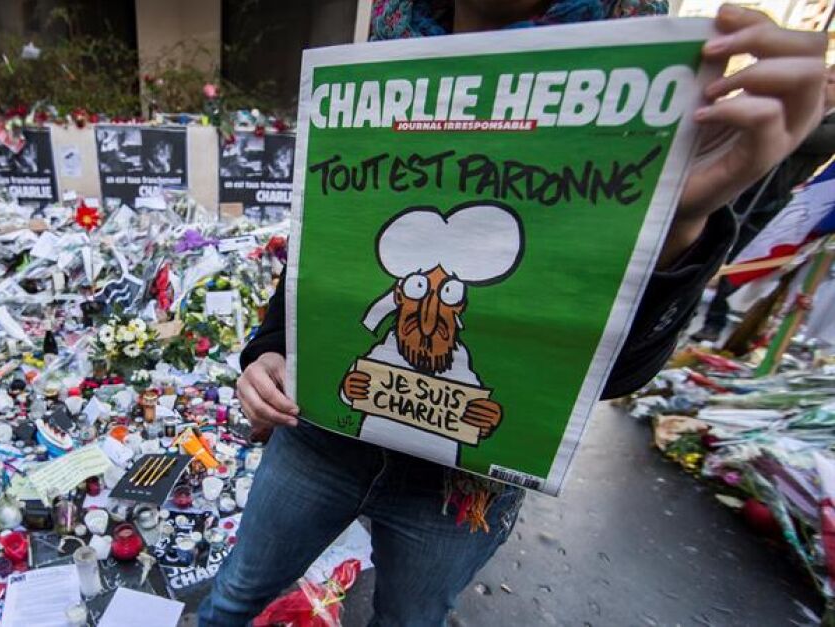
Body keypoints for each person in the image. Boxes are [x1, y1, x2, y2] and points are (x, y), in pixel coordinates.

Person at [199, 1, 829, 625]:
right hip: (318, 439)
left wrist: (677, 222)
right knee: (233, 598)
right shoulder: (383, 64)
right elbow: (319, 261)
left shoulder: (635, 106)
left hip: (458, 491)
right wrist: (269, 349)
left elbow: (608, 375)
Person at [692, 66, 835, 342]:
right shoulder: (799, 104)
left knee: (740, 259)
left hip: (774, 198)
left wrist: (803, 108)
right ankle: (683, 306)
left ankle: (715, 322)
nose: (825, 84)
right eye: (825, 78)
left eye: (832, 82)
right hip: (745, 185)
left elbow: (801, 137)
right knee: (706, 245)